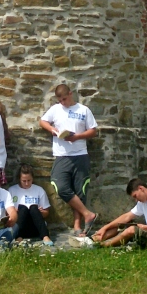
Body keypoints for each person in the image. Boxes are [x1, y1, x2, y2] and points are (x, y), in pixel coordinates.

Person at [39, 83, 98, 236]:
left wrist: (77, 136)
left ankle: (78, 226)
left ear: (70, 94)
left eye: (65, 99)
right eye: (60, 100)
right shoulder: (55, 109)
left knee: (80, 191)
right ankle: (88, 214)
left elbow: (93, 131)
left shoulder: (83, 110)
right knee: (60, 186)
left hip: (80, 155)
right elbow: (42, 121)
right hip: (62, 155)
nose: (63, 103)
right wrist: (52, 129)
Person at [93, 178, 147, 248]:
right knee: (123, 224)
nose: (136, 200)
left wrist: (145, 227)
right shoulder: (143, 203)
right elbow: (127, 216)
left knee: (132, 230)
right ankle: (95, 240)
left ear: (141, 189)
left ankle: (104, 245)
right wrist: (105, 227)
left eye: (135, 196)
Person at [9, 163, 53, 246]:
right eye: (24, 181)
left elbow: (46, 213)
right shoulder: (12, 190)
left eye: (29, 180)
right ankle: (19, 237)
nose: (26, 183)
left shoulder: (39, 190)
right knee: (23, 208)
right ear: (19, 179)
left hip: (36, 226)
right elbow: (7, 212)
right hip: (20, 226)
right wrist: (14, 212)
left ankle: (45, 235)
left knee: (33, 207)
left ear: (32, 178)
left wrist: (42, 212)